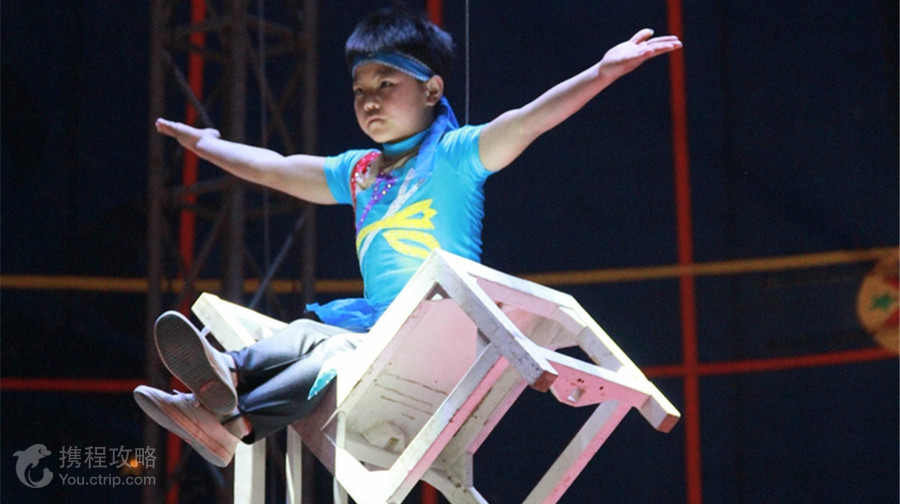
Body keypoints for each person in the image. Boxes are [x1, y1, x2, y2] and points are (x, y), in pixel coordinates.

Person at [134, 6, 682, 468]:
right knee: (310, 334)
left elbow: (527, 120)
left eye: (386, 84)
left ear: (432, 88)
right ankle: (225, 396)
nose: (369, 100)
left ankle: (226, 407)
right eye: (359, 90)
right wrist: (207, 145)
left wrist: (602, 72)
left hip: (445, 341)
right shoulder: (358, 172)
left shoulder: (457, 155)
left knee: (334, 348)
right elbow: (276, 168)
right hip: (378, 334)